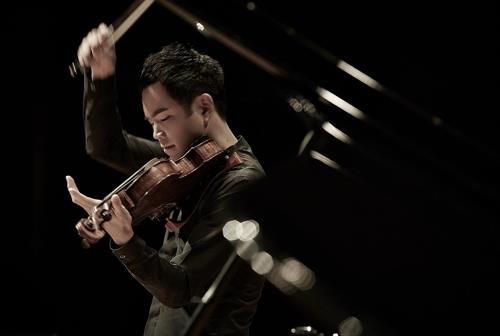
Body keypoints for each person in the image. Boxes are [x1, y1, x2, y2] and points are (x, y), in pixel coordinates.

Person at [66, 23, 266, 335]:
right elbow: (106, 146)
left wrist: (126, 240)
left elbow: (181, 289)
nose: (157, 134)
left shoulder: (241, 183)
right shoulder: (188, 162)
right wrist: (101, 76)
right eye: (150, 122)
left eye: (164, 118)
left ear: (203, 107)